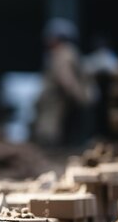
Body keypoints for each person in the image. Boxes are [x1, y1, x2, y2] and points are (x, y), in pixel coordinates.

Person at [33, 18, 97, 147]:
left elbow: (66, 79)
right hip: (56, 101)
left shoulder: (64, 53)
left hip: (57, 101)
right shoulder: (61, 53)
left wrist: (80, 98)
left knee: (48, 134)